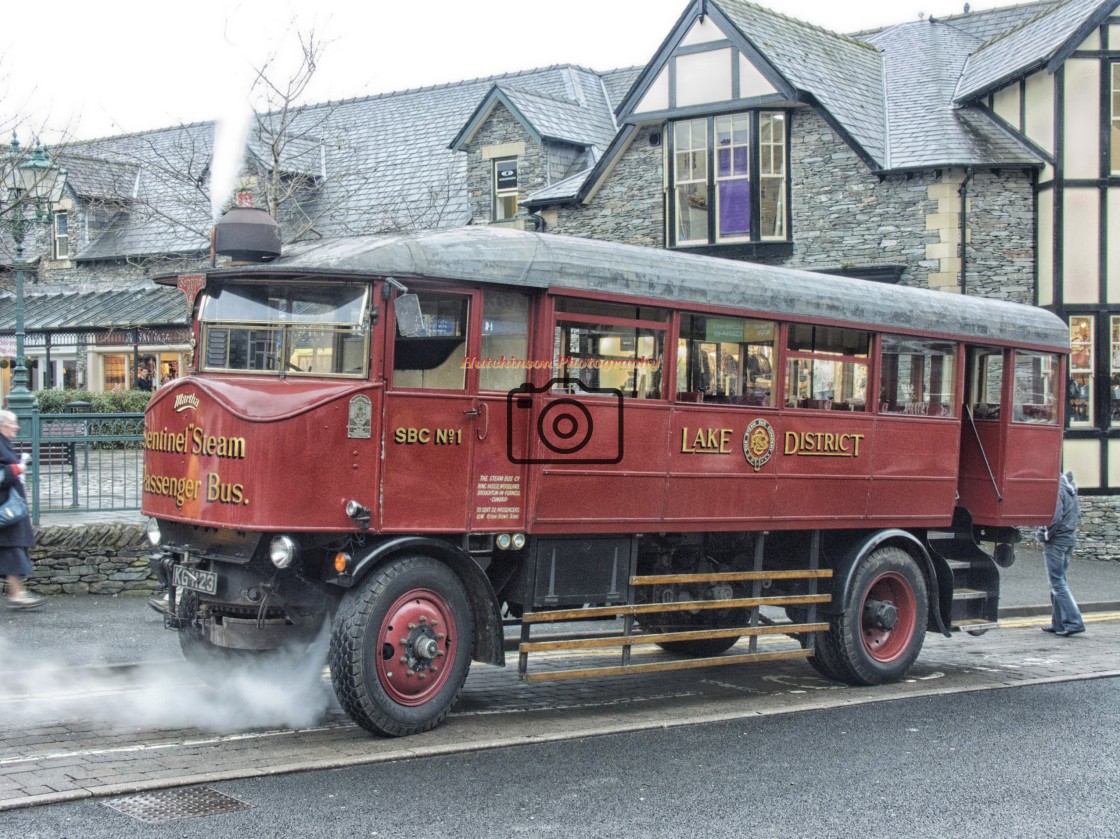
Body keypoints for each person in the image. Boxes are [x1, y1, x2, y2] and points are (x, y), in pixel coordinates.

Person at [0, 410, 45, 610]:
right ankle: (17, 594)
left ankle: (17, 593)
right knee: (12, 550)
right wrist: (16, 469)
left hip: (9, 508)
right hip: (6, 510)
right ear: (2, 425)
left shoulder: (3, 442)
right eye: (13, 423)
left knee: (12, 551)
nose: (16, 427)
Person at [1037, 471, 1085, 637]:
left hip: (1056, 542)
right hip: (1068, 540)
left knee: (1057, 583)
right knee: (1058, 581)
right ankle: (1058, 623)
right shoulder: (1068, 487)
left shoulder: (1056, 489)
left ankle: (1074, 622)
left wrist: (1045, 535)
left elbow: (1054, 517)